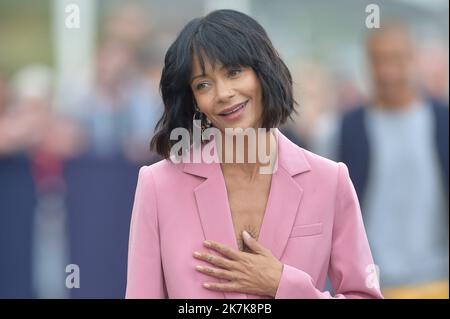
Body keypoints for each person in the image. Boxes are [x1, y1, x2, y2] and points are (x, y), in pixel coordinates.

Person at [125, 9, 382, 299]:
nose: (223, 93)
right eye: (203, 84)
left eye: (233, 72)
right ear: (195, 101)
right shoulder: (158, 186)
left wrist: (284, 285)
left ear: (263, 72)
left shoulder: (329, 180)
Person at [326, 23, 448, 298]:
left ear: (413, 59)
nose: (388, 71)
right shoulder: (345, 129)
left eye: (397, 58)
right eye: (378, 60)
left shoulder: (443, 121)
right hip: (371, 285)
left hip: (439, 279)